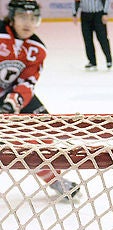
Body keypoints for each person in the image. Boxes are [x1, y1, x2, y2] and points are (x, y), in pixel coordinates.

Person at [1, 0, 79, 199]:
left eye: (33, 18)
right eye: (22, 16)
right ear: (11, 16)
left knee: (42, 131)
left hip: (9, 94)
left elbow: (27, 82)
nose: (28, 22)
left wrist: (14, 100)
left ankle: (56, 180)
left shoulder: (37, 48)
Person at [72, 0, 112, 70]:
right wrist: (74, 13)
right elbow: (76, 1)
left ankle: (108, 59)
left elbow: (106, 0)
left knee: (102, 38)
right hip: (85, 15)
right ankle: (92, 61)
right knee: (87, 39)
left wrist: (105, 12)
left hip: (98, 14)